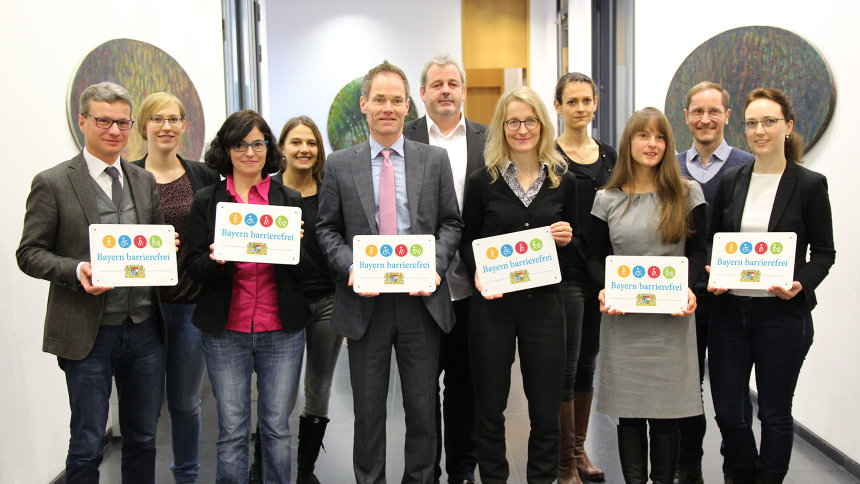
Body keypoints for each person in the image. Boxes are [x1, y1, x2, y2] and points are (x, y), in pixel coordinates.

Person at [315, 61, 462, 483]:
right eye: (379, 99)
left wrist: (434, 267)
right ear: (364, 104)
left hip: (421, 304)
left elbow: (451, 223)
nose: (388, 107)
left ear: (407, 106)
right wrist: (352, 269)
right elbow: (326, 228)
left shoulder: (433, 161)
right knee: (368, 410)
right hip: (366, 305)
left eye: (396, 100)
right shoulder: (341, 164)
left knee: (421, 408)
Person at [17, 81, 167, 483]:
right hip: (89, 331)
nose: (115, 131)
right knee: (86, 443)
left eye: (122, 122)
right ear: (82, 121)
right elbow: (29, 253)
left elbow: (150, 245)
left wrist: (163, 245)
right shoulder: (53, 182)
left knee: (143, 437)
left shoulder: (143, 180)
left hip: (145, 329)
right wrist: (77, 270)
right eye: (104, 121)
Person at [706, 87, 835, 484]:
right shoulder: (732, 180)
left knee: (775, 412)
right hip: (729, 313)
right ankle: (742, 472)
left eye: (769, 121)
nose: (759, 130)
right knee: (729, 411)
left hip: (781, 315)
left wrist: (801, 284)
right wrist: (714, 273)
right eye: (752, 123)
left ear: (788, 125)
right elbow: (716, 243)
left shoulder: (809, 183)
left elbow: (825, 252)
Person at [460, 86, 578, 483]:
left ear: (543, 125)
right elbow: (467, 239)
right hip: (492, 307)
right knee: (490, 407)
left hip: (545, 307)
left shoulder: (564, 183)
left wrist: (566, 238)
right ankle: (494, 478)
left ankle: (541, 478)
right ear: (502, 126)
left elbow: (576, 249)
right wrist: (476, 269)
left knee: (545, 410)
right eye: (513, 121)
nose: (522, 129)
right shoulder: (481, 182)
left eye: (530, 120)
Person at [185, 110, 309, 484]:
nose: (250, 152)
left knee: (276, 428)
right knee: (232, 430)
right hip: (226, 330)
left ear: (268, 149)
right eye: (240, 144)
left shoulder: (289, 200)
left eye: (258, 144)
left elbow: (308, 274)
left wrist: (296, 247)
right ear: (227, 149)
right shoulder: (208, 201)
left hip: (280, 329)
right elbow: (192, 266)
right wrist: (216, 259)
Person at [589, 107, 706, 484]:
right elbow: (592, 257)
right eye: (643, 136)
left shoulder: (688, 194)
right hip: (624, 322)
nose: (651, 144)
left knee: (667, 412)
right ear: (629, 143)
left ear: (668, 144)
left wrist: (691, 289)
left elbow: (700, 252)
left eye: (659, 137)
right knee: (630, 412)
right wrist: (603, 289)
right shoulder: (606, 198)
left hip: (671, 322)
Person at [403, 55, 487, 484]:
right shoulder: (403, 136)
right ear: (422, 94)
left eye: (453, 83)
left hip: (472, 285)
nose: (446, 91)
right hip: (419, 288)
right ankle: (425, 472)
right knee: (420, 391)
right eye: (437, 85)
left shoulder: (489, 141)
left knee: (464, 386)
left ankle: (463, 470)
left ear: (464, 90)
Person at [132, 91, 219, 484]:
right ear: (143, 126)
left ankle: (187, 476)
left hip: (189, 307)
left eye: (173, 119)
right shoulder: (128, 176)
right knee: (144, 410)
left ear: (185, 126)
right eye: (156, 119)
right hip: (142, 309)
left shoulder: (202, 175)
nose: (165, 127)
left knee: (185, 404)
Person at [674, 81, 754, 484]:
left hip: (729, 298)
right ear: (686, 116)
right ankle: (688, 465)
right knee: (689, 386)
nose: (705, 120)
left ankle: (736, 466)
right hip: (681, 294)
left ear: (727, 116)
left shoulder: (748, 164)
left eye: (713, 112)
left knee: (730, 389)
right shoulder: (670, 166)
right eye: (697, 112)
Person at [553, 72, 618, 484]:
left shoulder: (611, 155)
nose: (580, 108)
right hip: (565, 274)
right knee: (567, 362)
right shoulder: (549, 155)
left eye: (586, 100)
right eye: (571, 101)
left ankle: (579, 450)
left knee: (588, 363)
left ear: (596, 103)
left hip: (603, 272)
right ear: (557, 106)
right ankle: (564, 460)